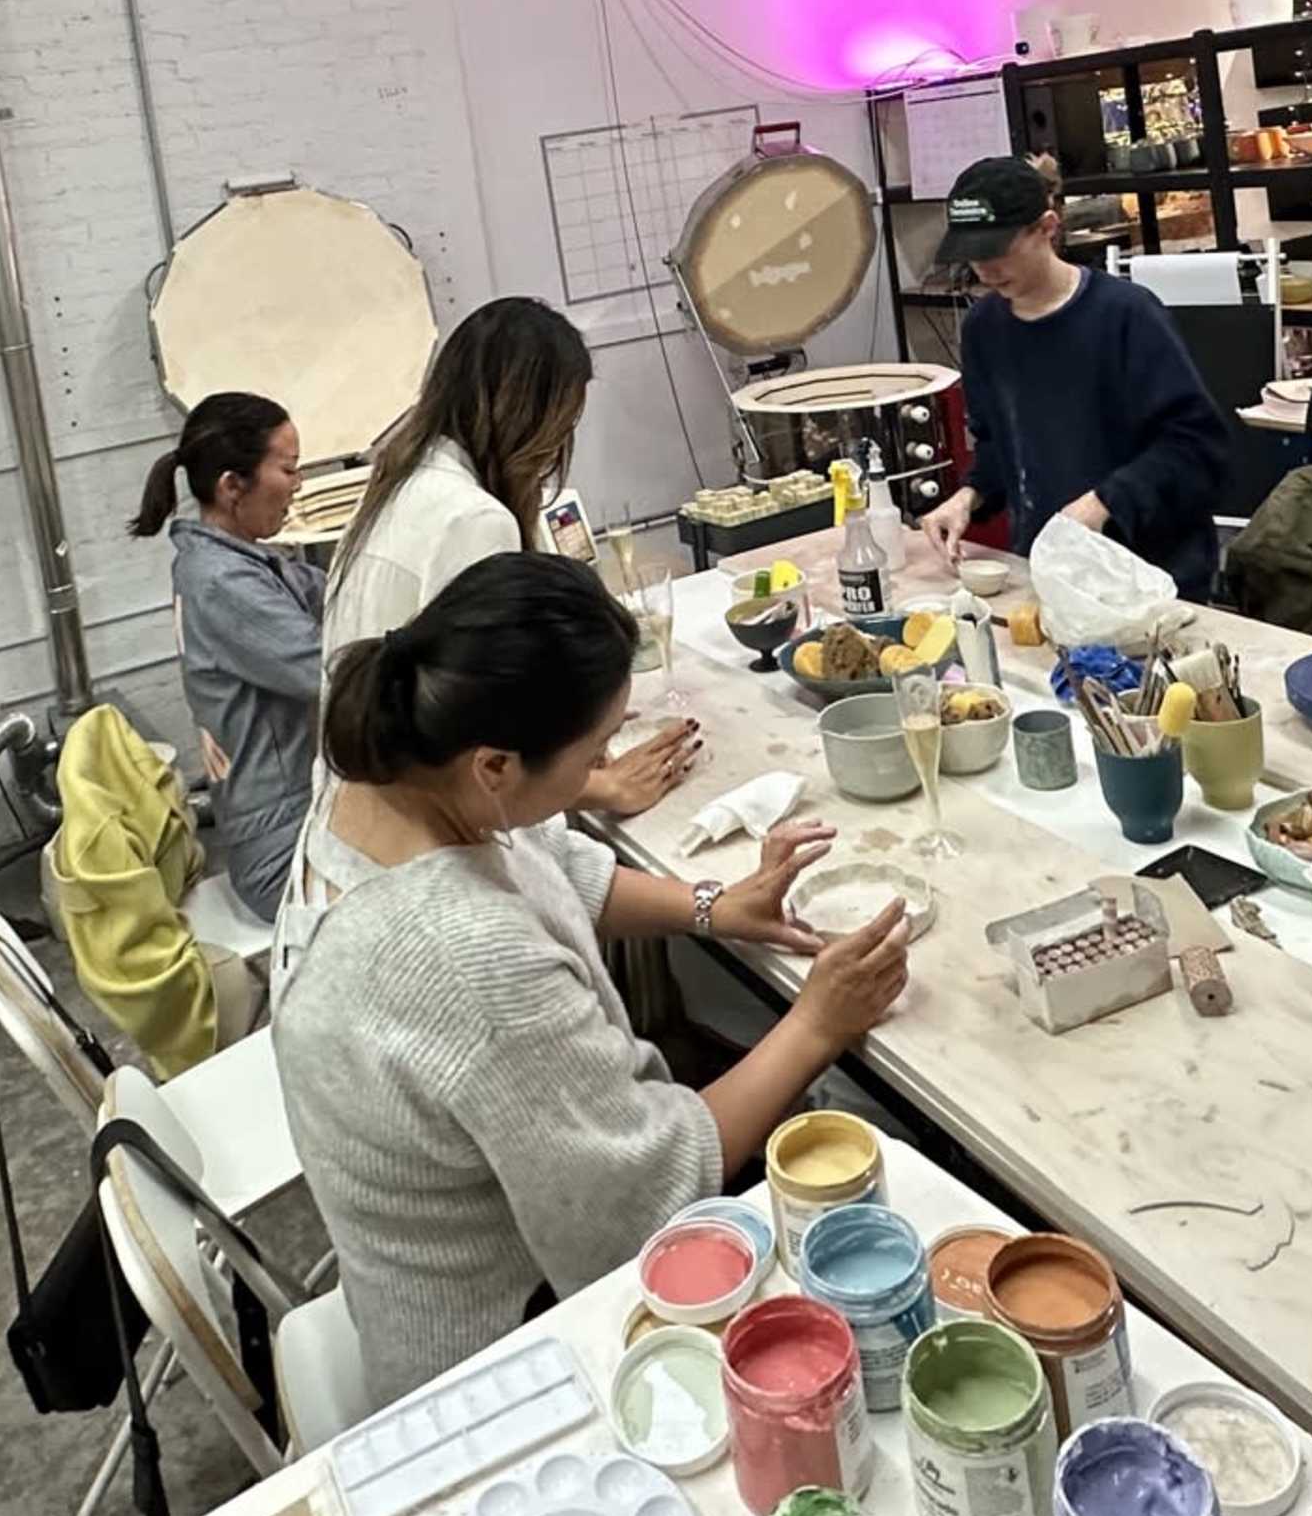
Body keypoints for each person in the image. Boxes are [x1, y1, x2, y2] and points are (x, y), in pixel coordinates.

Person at [276, 553, 912, 1406]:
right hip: (514, 1372)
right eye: (593, 752)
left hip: (484, 1248)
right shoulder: (468, 959)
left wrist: (717, 906)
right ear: (496, 766)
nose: (603, 769)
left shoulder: (400, 777)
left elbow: (548, 863)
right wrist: (815, 1024)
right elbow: (647, 1200)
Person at [321, 295, 696, 819]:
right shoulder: (473, 519)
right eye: (560, 432)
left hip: (355, 807)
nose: (556, 455)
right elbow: (475, 740)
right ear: (526, 418)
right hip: (420, 820)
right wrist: (596, 783)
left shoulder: (396, 479)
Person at [919, 154, 1233, 597]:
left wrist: (1104, 502)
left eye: (997, 251)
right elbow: (1000, 447)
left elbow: (1197, 447)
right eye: (972, 257)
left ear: (1047, 227)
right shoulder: (983, 329)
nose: (985, 270)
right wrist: (969, 496)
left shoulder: (1126, 315)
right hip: (1048, 573)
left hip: (1149, 577)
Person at [128, 391, 322, 920]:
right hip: (284, 853)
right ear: (232, 486)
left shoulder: (230, 560)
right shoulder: (221, 581)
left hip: (294, 823)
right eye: (289, 469)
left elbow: (329, 587)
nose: (298, 485)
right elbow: (334, 671)